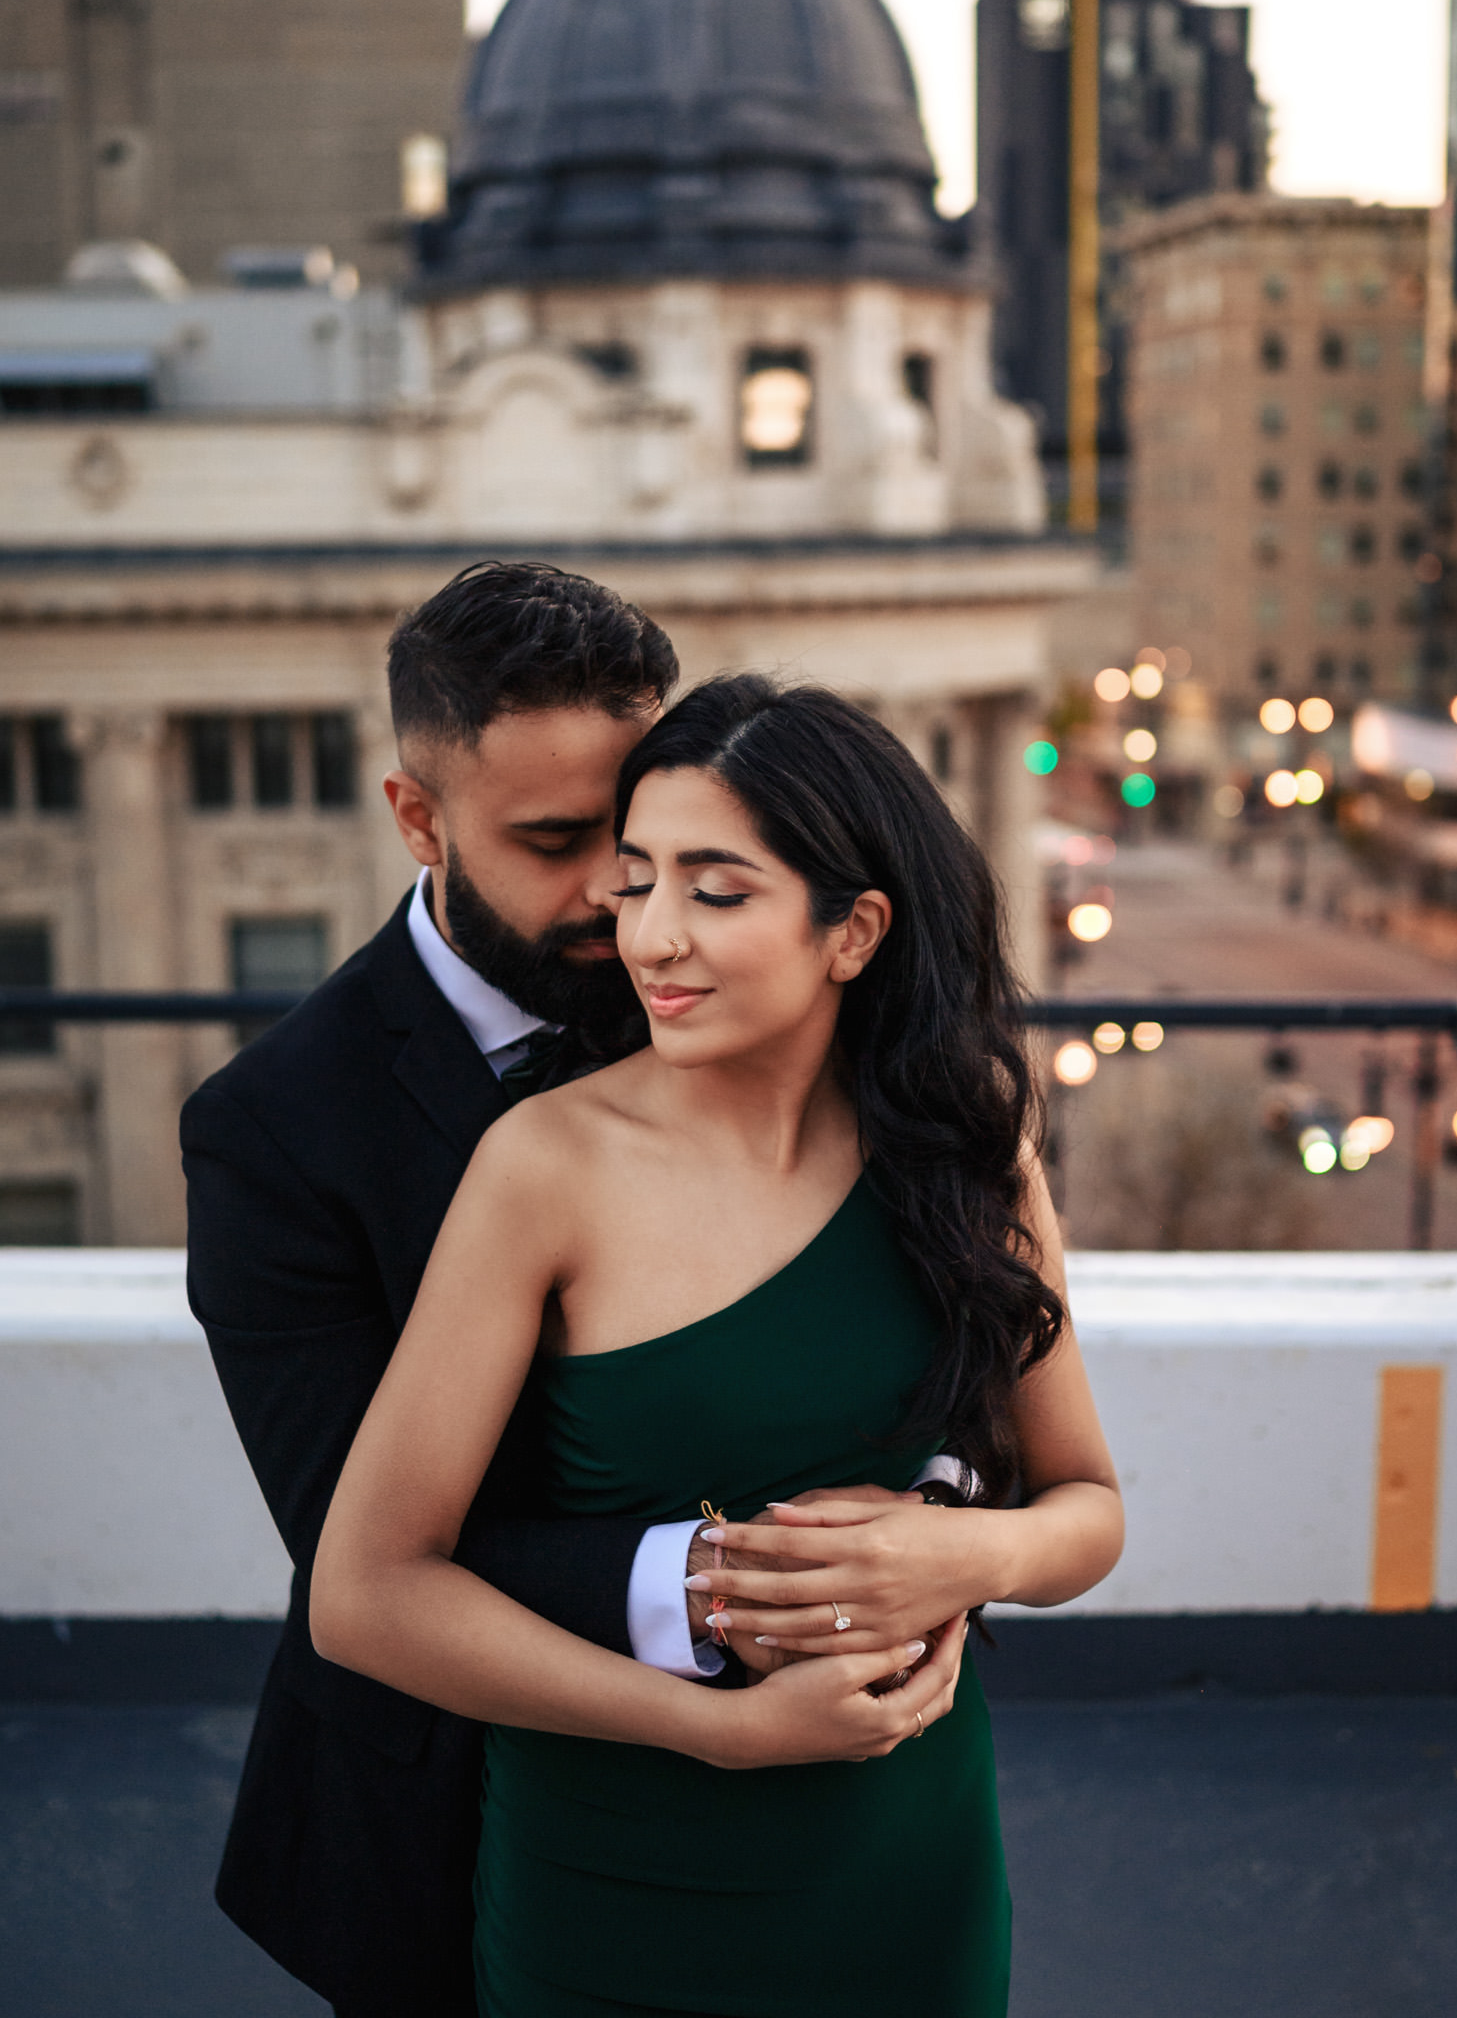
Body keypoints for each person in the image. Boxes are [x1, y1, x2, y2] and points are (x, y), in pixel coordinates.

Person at [183, 566, 965, 2018]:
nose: (629, 898)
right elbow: (365, 1546)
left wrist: (935, 1529)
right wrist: (750, 1585)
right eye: (559, 843)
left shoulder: (731, 985)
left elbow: (912, 1326)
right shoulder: (274, 1130)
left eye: (647, 832)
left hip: (823, 1802)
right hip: (437, 1802)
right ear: (416, 818)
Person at [312, 674, 1125, 2018]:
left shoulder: (967, 1134)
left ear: (853, 930)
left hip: (909, 1878)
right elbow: (369, 1592)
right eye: (637, 880)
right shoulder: (544, 1167)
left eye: (717, 889)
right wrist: (724, 1731)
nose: (653, 937)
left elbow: (1088, 1509)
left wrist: (970, 1554)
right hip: (616, 1894)